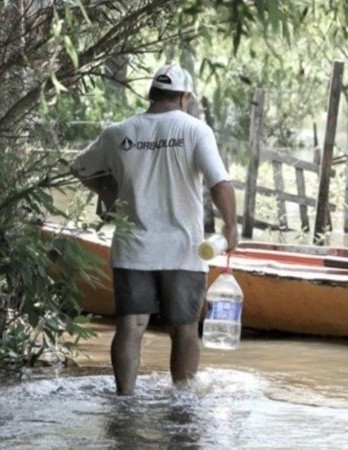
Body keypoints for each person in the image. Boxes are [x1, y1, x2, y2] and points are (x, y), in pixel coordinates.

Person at [72, 63, 238, 395]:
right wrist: (231, 227)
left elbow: (80, 166)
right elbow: (219, 183)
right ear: (184, 98)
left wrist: (108, 190)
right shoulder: (195, 130)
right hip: (184, 250)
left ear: (152, 94)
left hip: (133, 248)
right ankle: (183, 400)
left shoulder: (118, 132)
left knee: (131, 326)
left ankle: (125, 400)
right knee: (184, 329)